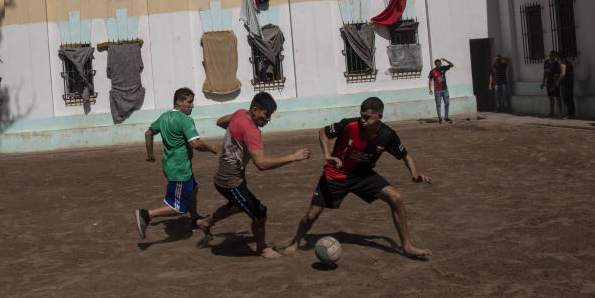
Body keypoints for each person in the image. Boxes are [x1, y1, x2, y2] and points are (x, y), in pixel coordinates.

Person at [281, 97, 431, 259]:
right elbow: (323, 132)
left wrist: (414, 175)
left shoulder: (387, 135)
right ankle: (296, 241)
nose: (363, 120)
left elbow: (406, 156)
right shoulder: (349, 125)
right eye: (361, 115)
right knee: (311, 216)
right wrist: (327, 155)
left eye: (368, 117)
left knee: (396, 198)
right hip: (335, 175)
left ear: (379, 116)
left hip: (363, 176)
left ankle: (407, 246)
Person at [195, 92, 310, 259]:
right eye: (266, 115)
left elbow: (220, 121)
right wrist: (293, 157)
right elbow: (262, 164)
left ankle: (206, 222)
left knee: (237, 205)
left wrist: (235, 135)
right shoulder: (251, 131)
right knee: (259, 213)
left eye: (270, 116)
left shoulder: (240, 113)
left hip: (225, 175)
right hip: (230, 181)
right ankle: (262, 248)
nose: (268, 119)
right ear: (254, 110)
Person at [136, 87, 219, 239]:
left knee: (194, 188)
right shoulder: (185, 119)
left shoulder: (164, 117)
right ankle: (147, 215)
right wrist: (211, 148)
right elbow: (196, 144)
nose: (192, 106)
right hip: (180, 169)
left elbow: (148, 133)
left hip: (169, 165)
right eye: (190, 102)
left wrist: (150, 155)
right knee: (180, 208)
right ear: (179, 102)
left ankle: (194, 218)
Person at [427, 57, 454, 124]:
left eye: (439, 64)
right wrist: (430, 89)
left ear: (441, 64)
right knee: (438, 104)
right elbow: (430, 80)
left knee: (447, 103)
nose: (438, 65)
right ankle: (440, 118)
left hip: (445, 89)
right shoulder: (432, 71)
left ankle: (446, 117)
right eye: (437, 64)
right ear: (435, 64)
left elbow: (452, 65)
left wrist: (446, 60)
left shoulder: (443, 68)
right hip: (437, 90)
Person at [540, 51, 561, 117]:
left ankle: (560, 112)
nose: (551, 56)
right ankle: (552, 111)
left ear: (555, 56)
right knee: (550, 97)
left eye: (553, 55)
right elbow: (545, 72)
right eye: (550, 55)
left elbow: (556, 76)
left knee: (557, 98)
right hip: (548, 82)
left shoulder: (556, 64)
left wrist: (554, 86)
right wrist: (543, 82)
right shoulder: (546, 62)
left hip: (555, 83)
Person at [557, 54, 576, 118]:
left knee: (566, 98)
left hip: (565, 83)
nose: (558, 60)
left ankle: (570, 114)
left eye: (558, 59)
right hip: (570, 82)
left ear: (560, 58)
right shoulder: (569, 63)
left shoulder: (563, 64)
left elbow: (563, 74)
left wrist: (558, 81)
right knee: (570, 98)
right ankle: (571, 113)